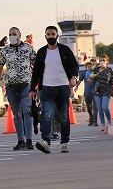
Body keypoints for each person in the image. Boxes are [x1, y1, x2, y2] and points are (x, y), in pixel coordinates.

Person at [30, 26, 79, 154]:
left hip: (63, 87)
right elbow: (36, 73)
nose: (51, 36)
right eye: (48, 34)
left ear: (57, 35)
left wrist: (73, 77)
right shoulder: (41, 52)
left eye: (53, 34)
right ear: (45, 36)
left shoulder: (64, 50)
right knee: (47, 116)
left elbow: (74, 65)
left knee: (63, 117)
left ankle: (64, 142)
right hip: (46, 88)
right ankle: (45, 142)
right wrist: (32, 89)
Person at [0, 26, 37, 150]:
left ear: (20, 35)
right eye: (10, 34)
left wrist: (38, 83)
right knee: (16, 114)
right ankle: (20, 140)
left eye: (14, 34)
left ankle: (29, 139)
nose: (12, 36)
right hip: (11, 86)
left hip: (26, 84)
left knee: (26, 111)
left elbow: (36, 66)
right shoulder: (5, 50)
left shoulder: (29, 48)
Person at [91, 55, 113, 133]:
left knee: (105, 107)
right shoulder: (96, 70)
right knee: (100, 109)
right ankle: (103, 124)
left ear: (107, 62)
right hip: (97, 91)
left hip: (106, 91)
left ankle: (109, 121)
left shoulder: (110, 70)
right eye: (100, 60)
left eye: (103, 60)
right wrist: (91, 78)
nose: (102, 62)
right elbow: (91, 79)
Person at [75, 61, 96, 126]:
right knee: (88, 106)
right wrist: (76, 86)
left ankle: (95, 120)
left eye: (90, 66)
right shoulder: (84, 72)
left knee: (95, 107)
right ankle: (91, 118)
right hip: (87, 92)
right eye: (88, 67)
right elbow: (80, 80)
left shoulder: (95, 72)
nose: (89, 68)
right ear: (86, 67)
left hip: (94, 92)